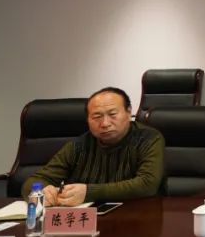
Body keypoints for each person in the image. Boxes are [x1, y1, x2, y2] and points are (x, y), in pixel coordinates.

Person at [22, 87, 164, 205]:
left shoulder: (149, 139)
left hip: (137, 215)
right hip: (86, 220)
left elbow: (148, 184)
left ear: (128, 113)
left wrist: (88, 192)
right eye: (97, 117)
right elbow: (33, 181)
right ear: (88, 120)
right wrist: (43, 191)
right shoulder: (78, 146)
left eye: (112, 114)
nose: (105, 123)